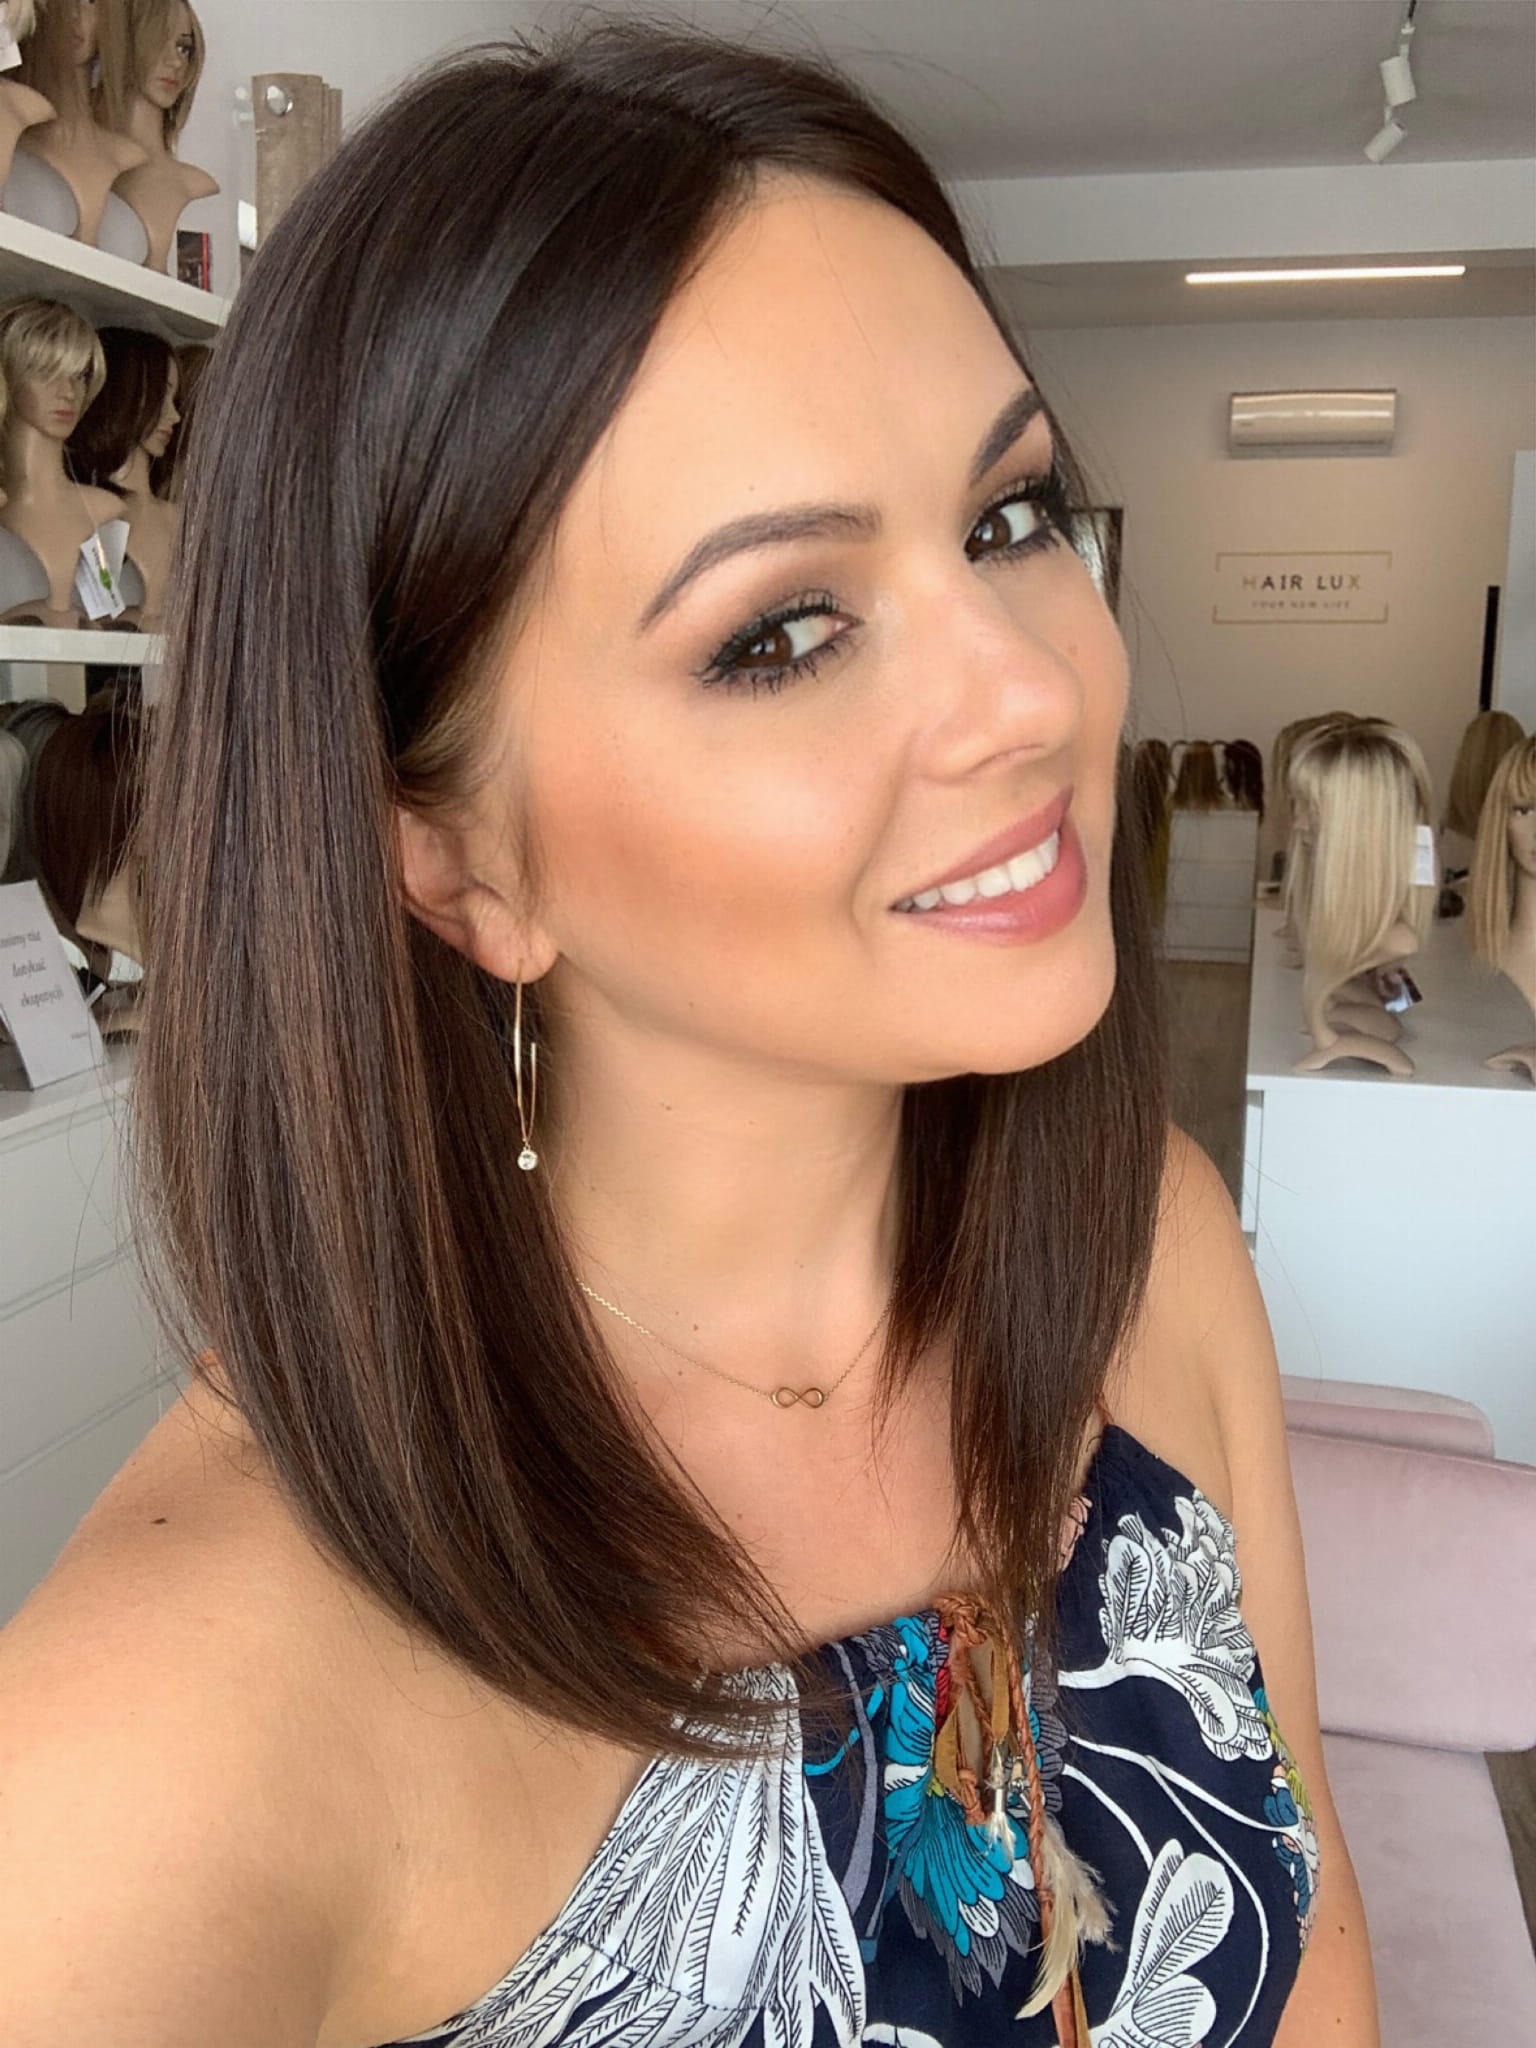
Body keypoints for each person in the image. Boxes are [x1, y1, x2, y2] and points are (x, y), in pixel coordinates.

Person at [0, 23, 1378, 2046]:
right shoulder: (169, 1735)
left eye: (1008, 518)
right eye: (782, 631)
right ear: (452, 857)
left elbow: (1316, 1946)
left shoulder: (1146, 1248)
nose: (1034, 691)